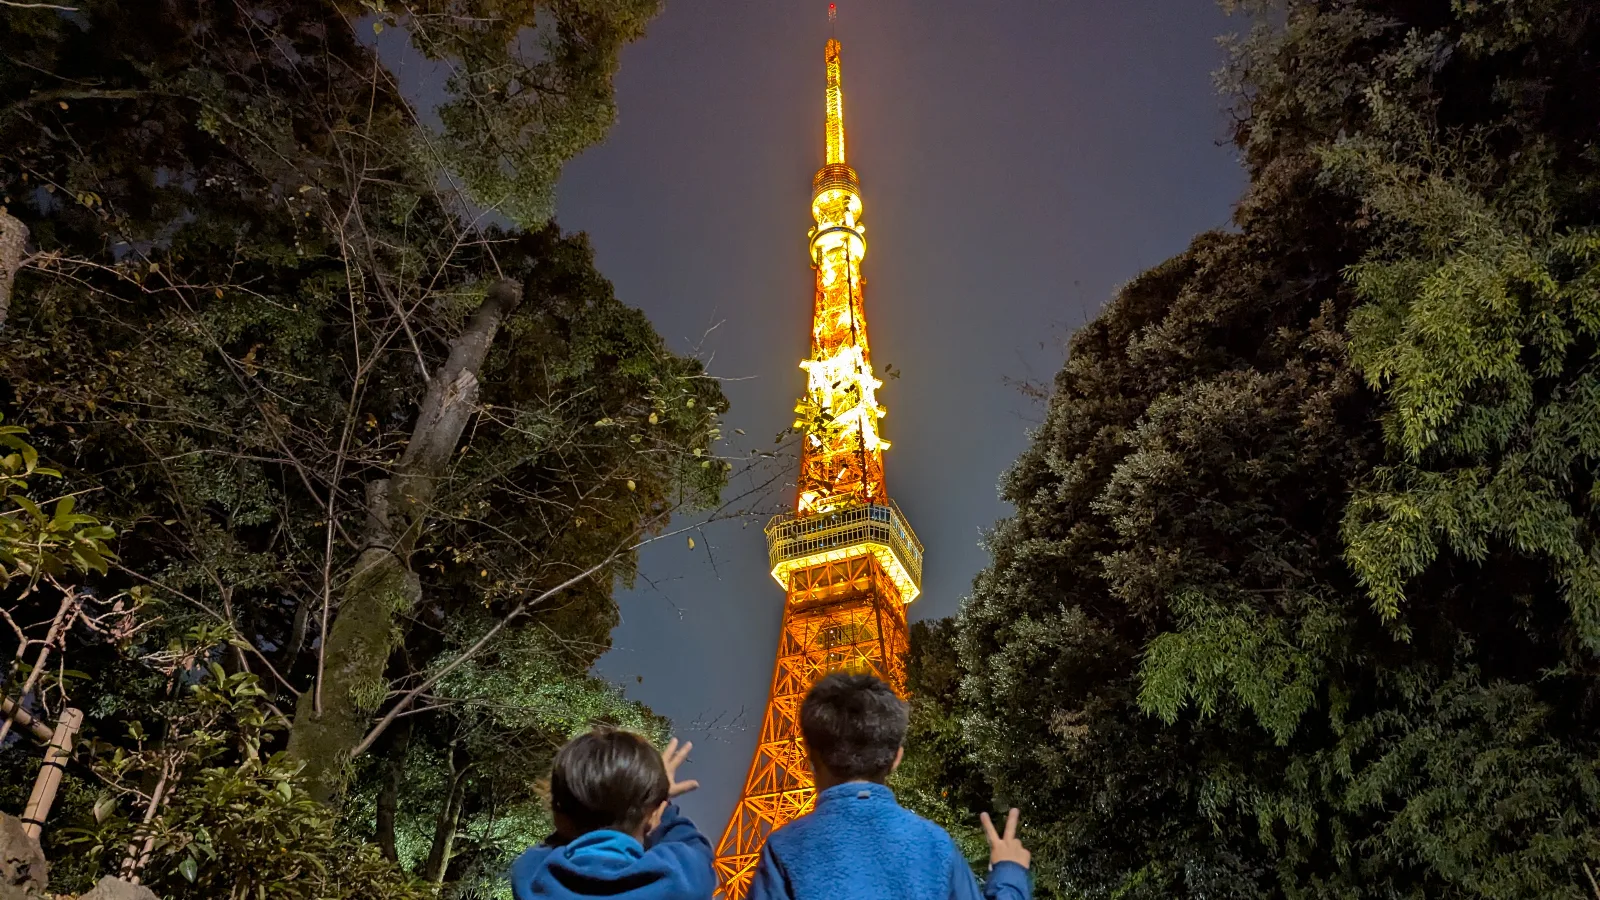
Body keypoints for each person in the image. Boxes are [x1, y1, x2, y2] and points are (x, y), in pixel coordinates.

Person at [746, 673, 1031, 900]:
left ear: (809, 756)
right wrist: (1009, 873)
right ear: (897, 758)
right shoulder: (935, 844)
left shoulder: (783, 849)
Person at [510, 729, 716, 900]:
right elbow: (693, 847)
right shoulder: (683, 880)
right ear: (654, 815)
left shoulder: (531, 876)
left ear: (559, 817)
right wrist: (663, 804)